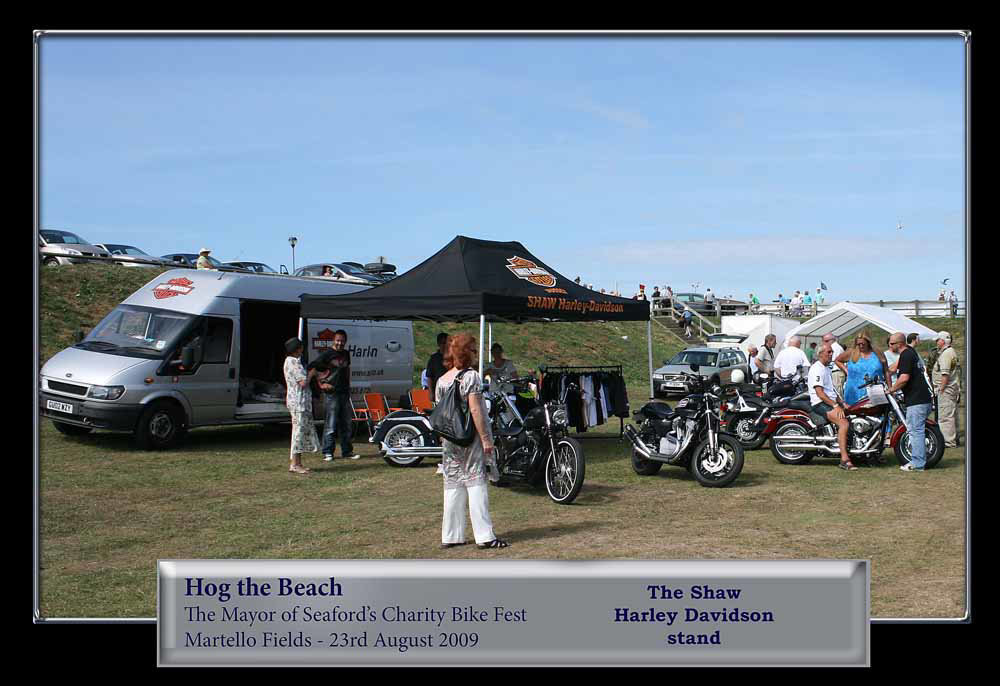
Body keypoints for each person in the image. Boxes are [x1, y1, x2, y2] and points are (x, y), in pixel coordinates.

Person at [436, 333, 509, 550]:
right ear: (468, 352)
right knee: (477, 484)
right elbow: (476, 410)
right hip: (470, 439)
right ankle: (485, 535)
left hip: (450, 440)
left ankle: (451, 535)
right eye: (474, 349)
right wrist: (486, 439)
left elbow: (441, 413)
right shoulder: (471, 378)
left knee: (453, 486)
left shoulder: (443, 380)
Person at [885, 332, 934, 471]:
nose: (890, 346)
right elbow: (894, 368)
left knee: (915, 431)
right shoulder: (909, 352)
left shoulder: (906, 354)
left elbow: (904, 378)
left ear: (899, 344)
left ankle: (918, 464)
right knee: (916, 430)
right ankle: (919, 461)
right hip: (922, 398)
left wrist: (891, 389)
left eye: (892, 343)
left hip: (916, 400)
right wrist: (884, 371)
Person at [310, 329, 361, 462]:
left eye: (342, 341)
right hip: (331, 394)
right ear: (333, 340)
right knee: (330, 425)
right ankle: (328, 452)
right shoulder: (327, 354)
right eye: (338, 340)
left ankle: (347, 451)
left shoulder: (346, 354)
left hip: (344, 392)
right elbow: (314, 368)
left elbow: (347, 369)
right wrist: (321, 384)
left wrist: (348, 385)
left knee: (346, 424)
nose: (340, 343)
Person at [808, 344, 856, 471]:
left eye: (832, 352)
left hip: (829, 401)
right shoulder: (817, 369)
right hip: (820, 403)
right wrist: (836, 405)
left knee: (854, 416)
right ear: (820, 353)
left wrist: (843, 403)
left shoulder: (827, 368)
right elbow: (820, 393)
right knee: (844, 424)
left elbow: (832, 391)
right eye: (828, 352)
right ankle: (844, 460)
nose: (831, 354)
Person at [283, 337, 320, 474]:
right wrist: (311, 374)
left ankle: (297, 462)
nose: (302, 350)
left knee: (299, 432)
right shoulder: (293, 362)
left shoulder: (289, 361)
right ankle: (295, 464)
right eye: (300, 347)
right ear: (296, 349)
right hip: (299, 402)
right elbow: (303, 383)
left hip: (297, 401)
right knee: (298, 433)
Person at [835, 333, 889, 406]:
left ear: (868, 342)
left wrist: (890, 388)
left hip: (875, 390)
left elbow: (886, 371)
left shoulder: (878, 353)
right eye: (858, 344)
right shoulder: (852, 352)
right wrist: (846, 371)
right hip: (854, 391)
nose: (861, 346)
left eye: (863, 344)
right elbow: (837, 360)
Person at [931, 331, 962, 448]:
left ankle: (948, 442)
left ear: (942, 341)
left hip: (946, 389)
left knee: (945, 417)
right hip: (952, 388)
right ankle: (954, 439)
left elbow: (945, 374)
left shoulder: (945, 354)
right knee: (952, 414)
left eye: (937, 340)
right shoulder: (951, 352)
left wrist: (941, 389)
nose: (936, 342)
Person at [822, 333, 846, 400]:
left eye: (825, 341)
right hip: (835, 372)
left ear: (831, 340)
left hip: (836, 372)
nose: (824, 343)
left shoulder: (835, 348)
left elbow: (831, 361)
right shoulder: (835, 347)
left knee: (837, 394)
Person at [426, 333, 450, 397]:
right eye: (444, 343)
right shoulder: (434, 359)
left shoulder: (454, 358)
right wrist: (431, 393)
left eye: (448, 343)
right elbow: (429, 377)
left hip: (451, 391)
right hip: (438, 391)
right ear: (439, 344)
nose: (446, 345)